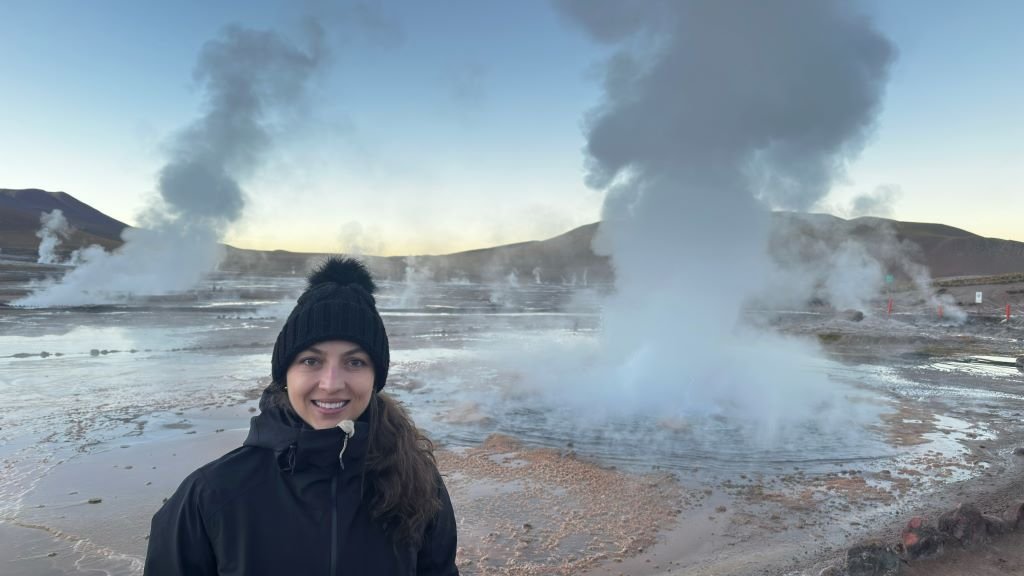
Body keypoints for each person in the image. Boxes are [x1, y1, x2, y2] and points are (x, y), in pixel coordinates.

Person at [144, 257, 459, 575]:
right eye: (311, 361)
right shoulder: (212, 494)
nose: (332, 384)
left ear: (375, 377)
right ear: (285, 375)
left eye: (355, 362)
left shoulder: (417, 481)